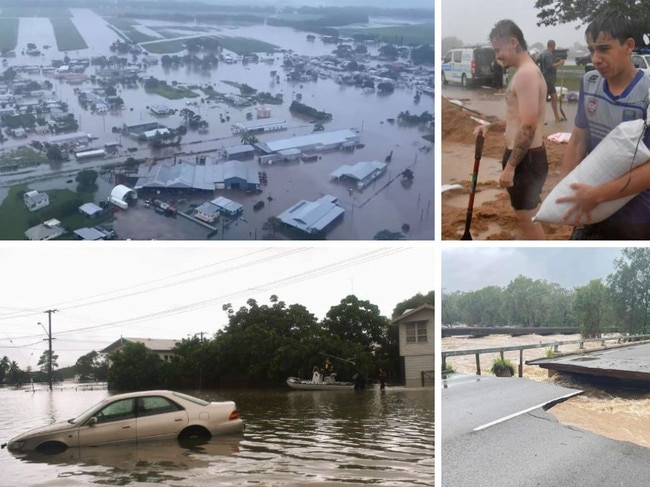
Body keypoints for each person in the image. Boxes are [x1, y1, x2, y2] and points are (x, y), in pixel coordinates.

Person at [555, 9, 650, 239]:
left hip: (637, 216)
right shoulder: (590, 82)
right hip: (590, 204)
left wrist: (598, 195)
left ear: (628, 46)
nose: (595, 58)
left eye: (604, 48)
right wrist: (564, 189)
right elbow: (578, 139)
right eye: (591, 49)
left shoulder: (646, 92)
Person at [475, 19, 548, 239]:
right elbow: (516, 120)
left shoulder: (526, 74)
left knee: (527, 219)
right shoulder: (525, 71)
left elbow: (528, 125)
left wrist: (511, 167)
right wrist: (489, 126)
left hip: (525, 160)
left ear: (514, 42)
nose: (497, 56)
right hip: (527, 158)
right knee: (529, 215)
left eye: (498, 50)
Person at [539, 40, 566, 122]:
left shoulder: (543, 53)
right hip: (548, 80)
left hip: (545, 79)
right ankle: (540, 120)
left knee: (552, 98)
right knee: (546, 100)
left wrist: (558, 63)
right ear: (553, 46)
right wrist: (560, 63)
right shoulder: (548, 54)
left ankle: (556, 117)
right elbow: (550, 66)